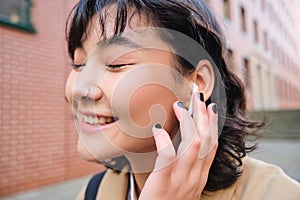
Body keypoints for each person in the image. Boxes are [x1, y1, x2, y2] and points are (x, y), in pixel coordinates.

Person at [64, 0, 300, 199]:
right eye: (78, 64)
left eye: (116, 64)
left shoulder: (276, 193)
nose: (79, 90)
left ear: (197, 82)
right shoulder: (93, 192)